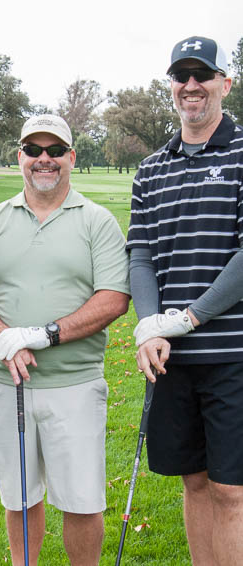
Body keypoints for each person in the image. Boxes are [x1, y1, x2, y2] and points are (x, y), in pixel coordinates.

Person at [0, 114, 130, 566]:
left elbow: (113, 298)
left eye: (55, 151)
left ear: (71, 158)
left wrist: (42, 335)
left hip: (74, 384)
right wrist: (5, 339)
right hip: (5, 384)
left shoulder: (97, 222)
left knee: (81, 501)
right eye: (34, 150)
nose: (44, 160)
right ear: (20, 157)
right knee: (18, 498)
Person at [128, 36, 243, 565]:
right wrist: (151, 326)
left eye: (203, 75)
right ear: (171, 86)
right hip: (172, 358)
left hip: (231, 356)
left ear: (225, 82)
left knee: (232, 492)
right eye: (181, 76)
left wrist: (190, 318)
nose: (191, 86)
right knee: (194, 484)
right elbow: (141, 255)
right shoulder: (151, 169)